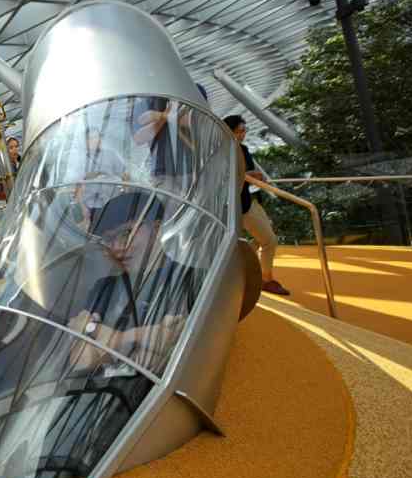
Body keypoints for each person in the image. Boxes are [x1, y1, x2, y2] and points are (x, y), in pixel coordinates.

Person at [68, 191, 198, 377]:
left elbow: (164, 358)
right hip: (106, 399)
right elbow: (80, 361)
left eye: (127, 233)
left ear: (157, 228)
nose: (118, 248)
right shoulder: (104, 288)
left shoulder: (185, 278)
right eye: (109, 239)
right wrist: (138, 337)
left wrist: (109, 336)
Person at [222, 115, 290, 296]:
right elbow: (227, 178)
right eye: (240, 130)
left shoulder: (242, 149)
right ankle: (266, 280)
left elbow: (248, 175)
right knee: (269, 240)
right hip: (239, 203)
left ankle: (247, 270)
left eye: (245, 130)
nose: (243, 134)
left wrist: (251, 175)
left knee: (265, 238)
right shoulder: (221, 151)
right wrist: (248, 175)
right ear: (229, 130)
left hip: (251, 200)